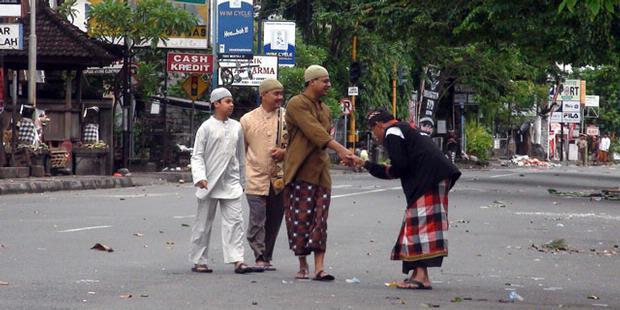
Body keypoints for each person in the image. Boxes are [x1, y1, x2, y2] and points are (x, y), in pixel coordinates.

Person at [349, 109, 461, 290]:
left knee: (421, 226)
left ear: (378, 125)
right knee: (417, 225)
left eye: (373, 132)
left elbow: (399, 167)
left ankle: (422, 277)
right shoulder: (405, 129)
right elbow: (399, 168)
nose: (376, 137)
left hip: (429, 178)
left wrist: (368, 165)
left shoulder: (392, 132)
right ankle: (418, 273)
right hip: (435, 176)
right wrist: (367, 165)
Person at [283, 64, 354, 281]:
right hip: (300, 170)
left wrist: (343, 154)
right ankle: (302, 265)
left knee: (320, 220)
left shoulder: (325, 109)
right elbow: (314, 132)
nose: (328, 85)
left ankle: (320, 268)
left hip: (321, 171)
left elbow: (323, 136)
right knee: (300, 218)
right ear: (311, 82)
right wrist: (342, 150)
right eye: (325, 81)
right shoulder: (296, 104)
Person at [189, 87, 258, 274]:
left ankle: (238, 260)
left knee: (235, 222)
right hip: (208, 183)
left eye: (232, 101)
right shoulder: (206, 127)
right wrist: (200, 177)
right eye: (227, 101)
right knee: (203, 224)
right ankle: (199, 260)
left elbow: (240, 156)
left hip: (231, 183)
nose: (231, 105)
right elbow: (197, 156)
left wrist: (243, 182)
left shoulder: (236, 127)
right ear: (216, 104)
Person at [240, 79, 287, 271]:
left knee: (275, 218)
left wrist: (286, 152)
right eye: (275, 94)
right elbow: (240, 151)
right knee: (257, 218)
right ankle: (259, 255)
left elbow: (297, 145)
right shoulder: (247, 120)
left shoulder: (287, 118)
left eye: (281, 94)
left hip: (280, 177)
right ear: (263, 95)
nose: (279, 98)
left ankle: (267, 255)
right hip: (254, 176)